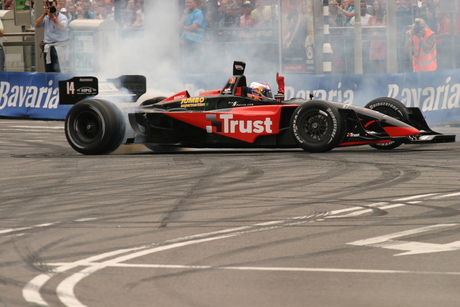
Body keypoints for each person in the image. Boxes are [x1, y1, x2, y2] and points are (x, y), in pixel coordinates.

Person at [35, 0, 69, 73]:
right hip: (48, 47)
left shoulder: (62, 17)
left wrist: (53, 17)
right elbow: (37, 25)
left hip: (59, 47)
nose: (51, 9)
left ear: (57, 6)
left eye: (53, 6)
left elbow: (62, 27)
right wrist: (44, 14)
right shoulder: (46, 17)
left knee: (59, 69)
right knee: (49, 70)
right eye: (50, 7)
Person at [179, 0, 206, 72]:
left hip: (196, 41)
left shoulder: (199, 14)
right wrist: (184, 15)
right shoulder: (187, 13)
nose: (188, 4)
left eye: (190, 2)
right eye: (187, 2)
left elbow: (193, 27)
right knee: (187, 59)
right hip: (187, 40)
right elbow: (179, 25)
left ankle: (196, 75)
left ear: (195, 3)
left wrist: (184, 28)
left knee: (195, 59)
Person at [368, 0, 387, 73]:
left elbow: (383, 26)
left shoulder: (383, 16)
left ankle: (381, 76)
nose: (375, 6)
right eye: (374, 4)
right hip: (373, 41)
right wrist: (375, 29)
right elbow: (368, 29)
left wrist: (374, 29)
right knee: (373, 61)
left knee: (381, 61)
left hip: (381, 40)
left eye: (377, 4)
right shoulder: (371, 18)